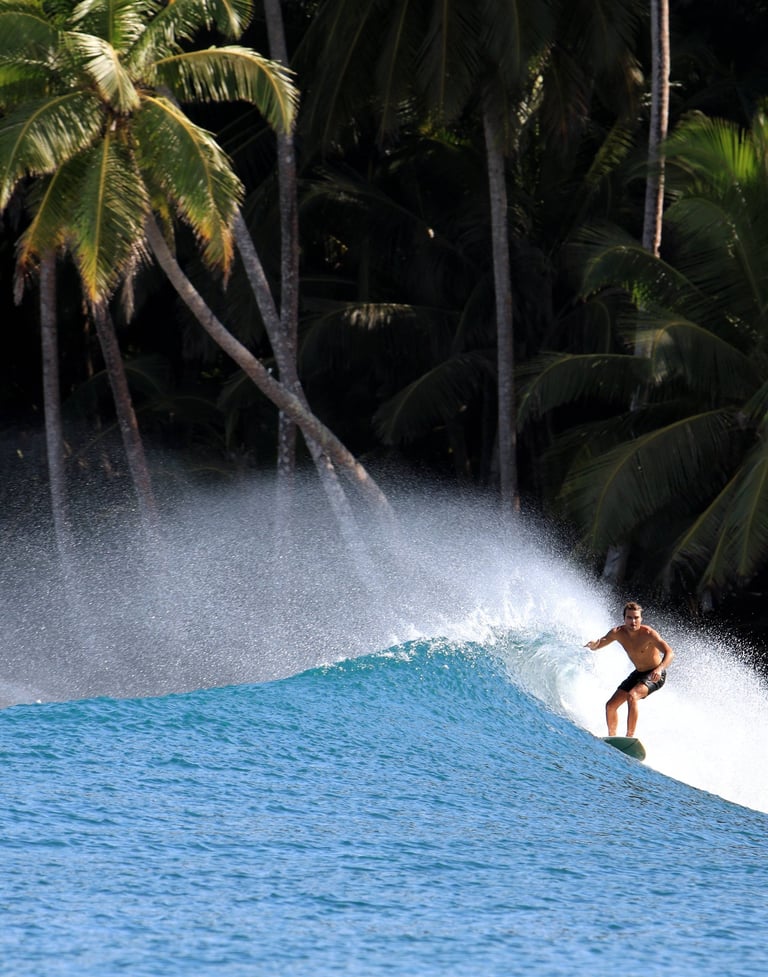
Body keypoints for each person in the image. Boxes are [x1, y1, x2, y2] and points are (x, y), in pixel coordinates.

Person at [584, 601, 674, 738]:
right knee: (610, 706)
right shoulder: (617, 633)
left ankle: (629, 738)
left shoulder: (649, 634)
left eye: (636, 617)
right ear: (624, 619)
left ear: (641, 619)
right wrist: (594, 646)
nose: (633, 621)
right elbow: (600, 643)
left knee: (633, 696)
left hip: (655, 674)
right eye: (630, 618)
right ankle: (612, 738)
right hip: (639, 673)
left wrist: (660, 668)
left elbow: (670, 652)